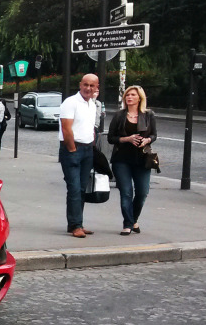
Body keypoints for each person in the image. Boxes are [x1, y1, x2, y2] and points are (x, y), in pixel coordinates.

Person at [107, 84, 157, 236]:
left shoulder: (148, 115)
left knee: (142, 192)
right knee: (126, 192)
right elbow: (110, 138)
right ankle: (128, 224)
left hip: (142, 159)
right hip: (121, 159)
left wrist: (147, 140)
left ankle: (133, 219)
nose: (129, 97)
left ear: (140, 98)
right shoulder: (119, 115)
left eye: (133, 95)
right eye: (127, 95)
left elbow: (154, 134)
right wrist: (127, 139)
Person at [58, 73, 101, 238]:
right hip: (73, 149)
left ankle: (77, 224)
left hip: (87, 149)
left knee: (82, 188)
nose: (88, 88)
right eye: (85, 85)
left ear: (97, 87)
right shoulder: (70, 102)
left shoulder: (92, 104)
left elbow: (90, 127)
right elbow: (66, 128)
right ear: (80, 85)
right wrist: (72, 149)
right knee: (74, 188)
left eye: (92, 86)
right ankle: (76, 225)